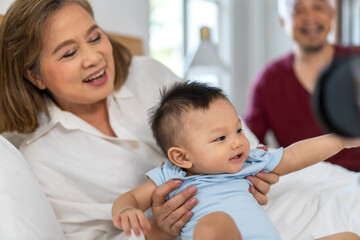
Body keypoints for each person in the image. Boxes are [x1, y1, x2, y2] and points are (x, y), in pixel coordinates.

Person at [0, 0, 277, 239]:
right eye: (69, 53)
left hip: (251, 212)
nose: (94, 57)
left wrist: (255, 174)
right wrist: (159, 230)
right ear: (34, 76)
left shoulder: (148, 73)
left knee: (319, 191)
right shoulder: (41, 159)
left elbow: (239, 139)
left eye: (95, 37)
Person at [112, 81, 360, 240]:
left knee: (348, 238)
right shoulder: (172, 176)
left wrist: (339, 141)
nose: (237, 142)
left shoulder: (250, 162)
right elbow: (131, 198)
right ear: (181, 156)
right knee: (214, 225)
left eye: (238, 130)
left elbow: (294, 155)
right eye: (220, 137)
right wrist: (125, 210)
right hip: (219, 232)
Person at [243, 0, 360, 172]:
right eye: (298, 10)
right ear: (283, 21)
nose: (310, 18)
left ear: (331, 14)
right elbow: (249, 145)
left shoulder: (355, 63)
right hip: (305, 185)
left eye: (318, 8)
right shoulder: (267, 82)